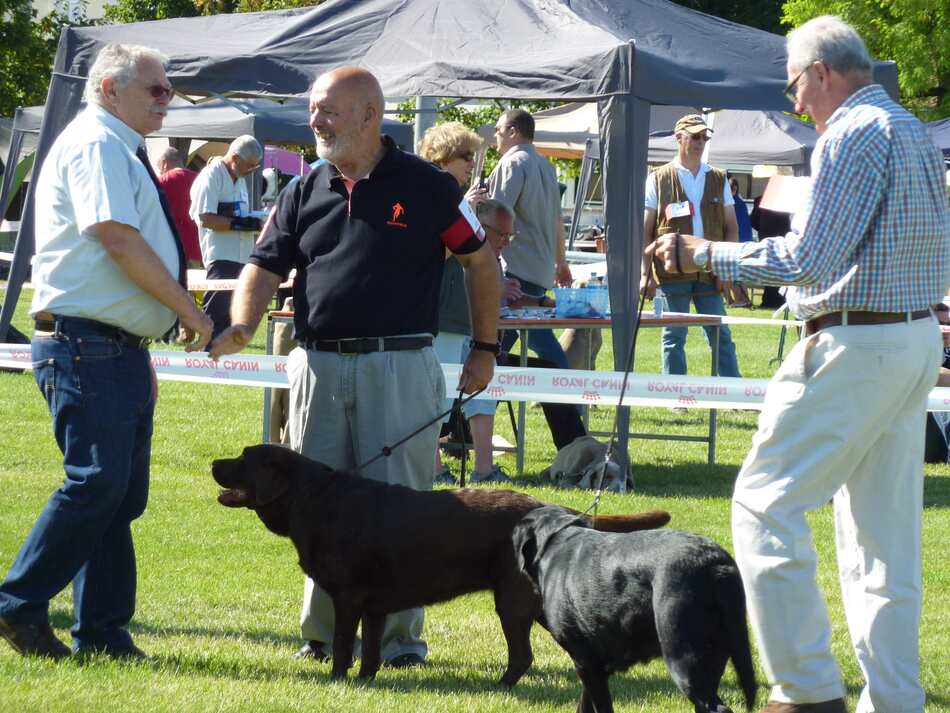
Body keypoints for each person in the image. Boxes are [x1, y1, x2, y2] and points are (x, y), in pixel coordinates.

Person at [648, 16, 949, 713]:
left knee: (764, 501)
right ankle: (895, 701)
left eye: (794, 87)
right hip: (910, 340)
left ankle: (808, 689)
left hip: (858, 341)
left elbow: (808, 259)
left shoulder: (850, 134)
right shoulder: (908, 129)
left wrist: (702, 253)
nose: (796, 104)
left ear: (821, 71)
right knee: (885, 544)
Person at [207, 67, 501, 668]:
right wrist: (242, 323)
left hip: (399, 365)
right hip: (316, 365)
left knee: (403, 510)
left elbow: (480, 262)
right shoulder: (303, 186)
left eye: (328, 110)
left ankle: (398, 646)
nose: (315, 121)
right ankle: (321, 639)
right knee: (310, 509)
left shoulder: (426, 186)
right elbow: (263, 265)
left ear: (369, 115)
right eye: (315, 109)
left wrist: (485, 347)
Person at [0, 43, 212, 660]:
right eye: (156, 89)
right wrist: (185, 309)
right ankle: (18, 602)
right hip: (85, 342)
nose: (166, 101)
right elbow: (116, 238)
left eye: (168, 90)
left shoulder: (113, 143)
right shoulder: (98, 143)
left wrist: (138, 346)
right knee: (97, 484)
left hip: (106, 344)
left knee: (117, 494)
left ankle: (103, 631)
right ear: (109, 89)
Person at [419, 121, 511, 484]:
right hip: (439, 316)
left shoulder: (456, 198)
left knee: (483, 397)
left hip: (467, 316)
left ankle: (484, 469)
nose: (471, 164)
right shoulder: (425, 196)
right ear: (443, 155)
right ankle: (434, 468)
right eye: (465, 157)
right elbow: (427, 256)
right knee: (436, 400)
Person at [641, 114, 742, 380]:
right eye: (695, 137)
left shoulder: (719, 177)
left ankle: (733, 393)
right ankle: (675, 394)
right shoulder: (658, 178)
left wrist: (727, 268)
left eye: (704, 137)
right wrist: (645, 274)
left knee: (720, 333)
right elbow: (645, 230)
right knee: (674, 335)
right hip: (671, 271)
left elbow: (732, 228)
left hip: (711, 270)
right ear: (679, 138)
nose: (700, 142)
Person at [488, 108, 573, 368]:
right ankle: (486, 401)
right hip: (539, 267)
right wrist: (561, 262)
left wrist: (484, 262)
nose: (495, 136)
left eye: (498, 130)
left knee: (528, 340)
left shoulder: (512, 163)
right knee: (498, 345)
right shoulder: (546, 166)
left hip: (516, 270)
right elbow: (558, 220)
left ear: (513, 131)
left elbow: (496, 217)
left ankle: (570, 399)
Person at [189, 134, 264, 337]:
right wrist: (241, 224)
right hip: (221, 258)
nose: (252, 171)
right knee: (215, 319)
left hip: (242, 258)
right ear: (235, 158)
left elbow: (239, 214)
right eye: (250, 165)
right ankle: (206, 361)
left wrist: (256, 221)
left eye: (255, 167)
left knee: (234, 322)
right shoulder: (211, 175)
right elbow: (204, 217)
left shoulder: (239, 179)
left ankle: (228, 365)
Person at [156, 146, 201, 266]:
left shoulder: (161, 181)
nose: (160, 171)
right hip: (197, 247)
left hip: (170, 248)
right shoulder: (200, 179)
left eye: (159, 167)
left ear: (164, 164)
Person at [726, 174, 753, 308]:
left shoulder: (734, 203)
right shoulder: (739, 203)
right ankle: (743, 299)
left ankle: (741, 299)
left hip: (739, 243)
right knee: (737, 273)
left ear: (734, 189)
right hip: (743, 242)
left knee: (734, 274)